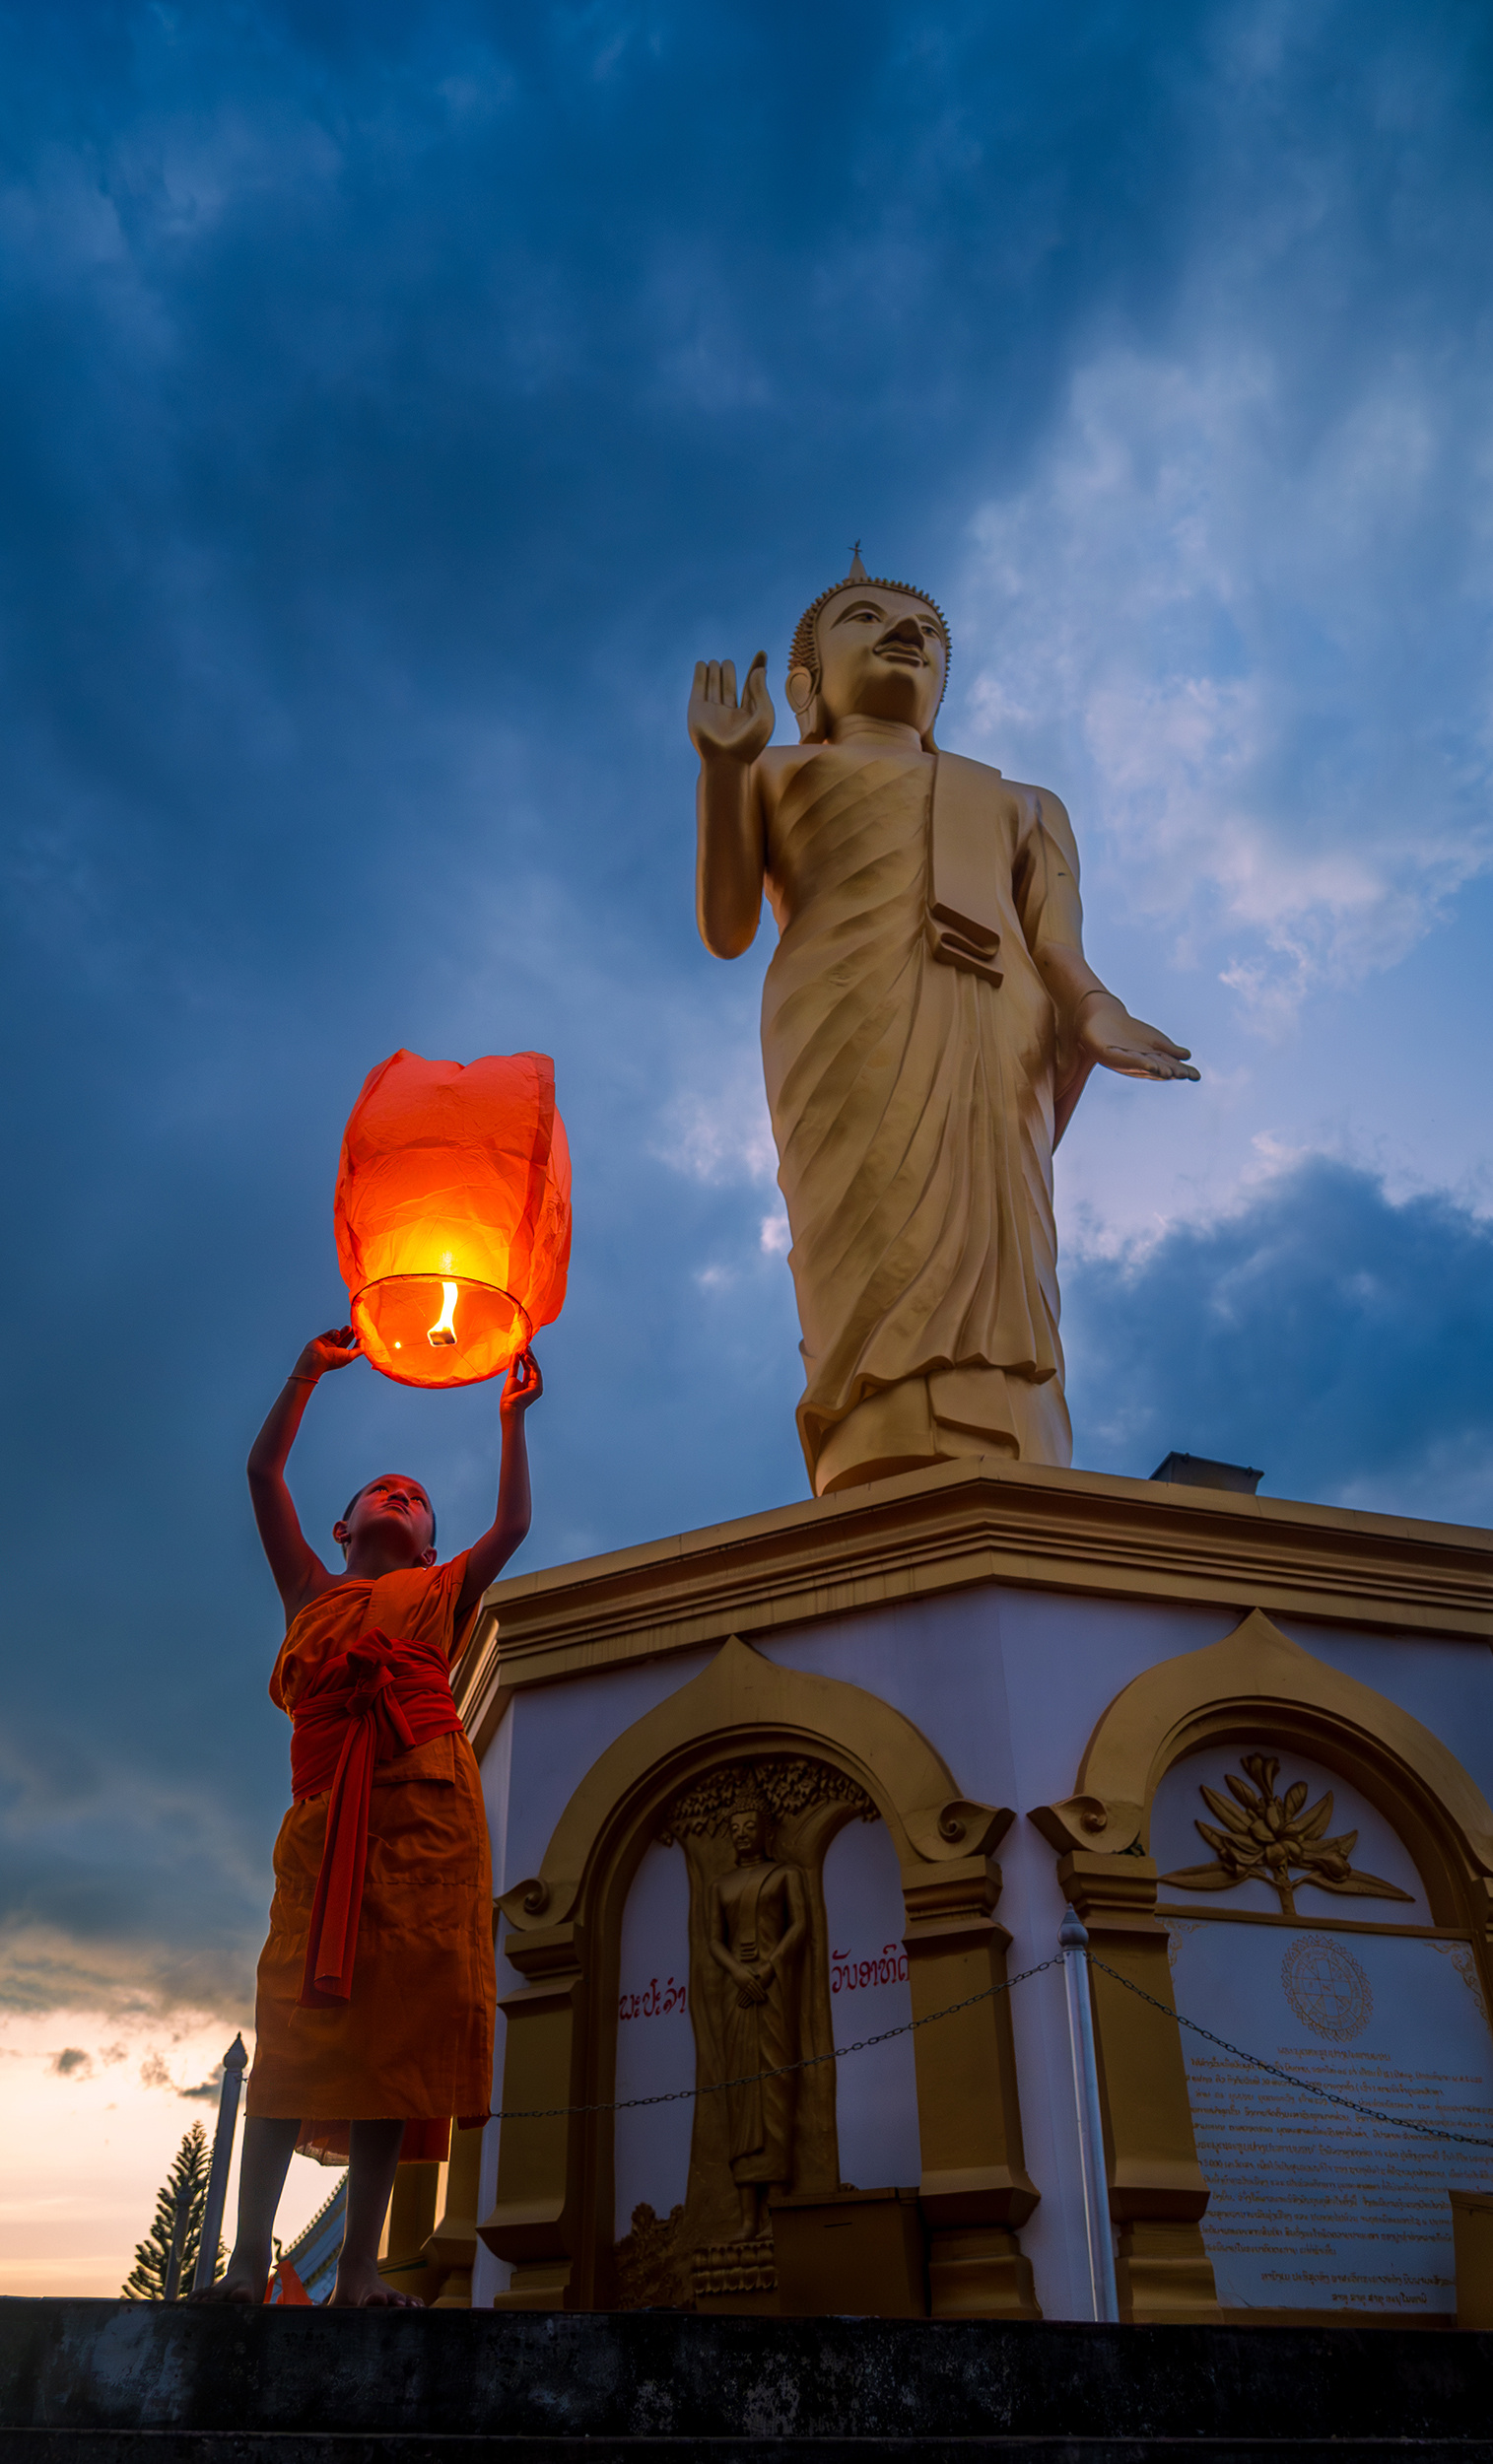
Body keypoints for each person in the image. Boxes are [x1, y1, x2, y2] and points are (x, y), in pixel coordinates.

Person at [689, 555, 1200, 1495]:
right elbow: (726, 929)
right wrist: (725, 767)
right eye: (866, 617)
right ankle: (868, 1435)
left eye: (925, 632)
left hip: (989, 1022)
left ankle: (1016, 1440)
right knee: (868, 1221)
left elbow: (1059, 950)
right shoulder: (780, 767)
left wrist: (1095, 1013)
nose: (906, 635)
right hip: (843, 1020)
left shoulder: (1021, 804)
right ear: (807, 686)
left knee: (1001, 1233)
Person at [193, 1327, 542, 2307]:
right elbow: (263, 1470)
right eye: (379, 1489)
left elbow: (513, 1523)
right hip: (322, 1824)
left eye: (415, 1494)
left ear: (431, 1543)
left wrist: (511, 1419)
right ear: (340, 1530)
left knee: (399, 2035)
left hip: (426, 1812)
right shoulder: (310, 1589)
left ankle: (358, 2276)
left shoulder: (438, 1590)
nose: (398, 1491)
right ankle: (248, 2262)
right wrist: (305, 1372)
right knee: (294, 2024)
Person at [706, 1798, 808, 2243]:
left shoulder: (786, 1875)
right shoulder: (721, 1886)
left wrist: (766, 1970)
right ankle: (748, 2217)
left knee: (774, 2091)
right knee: (743, 2095)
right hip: (737, 1996)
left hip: (772, 1991)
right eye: (736, 1826)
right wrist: (738, 1972)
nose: (743, 1832)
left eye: (751, 1825)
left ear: (767, 1831)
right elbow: (714, 1941)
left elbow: (798, 1926)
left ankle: (779, 2209)